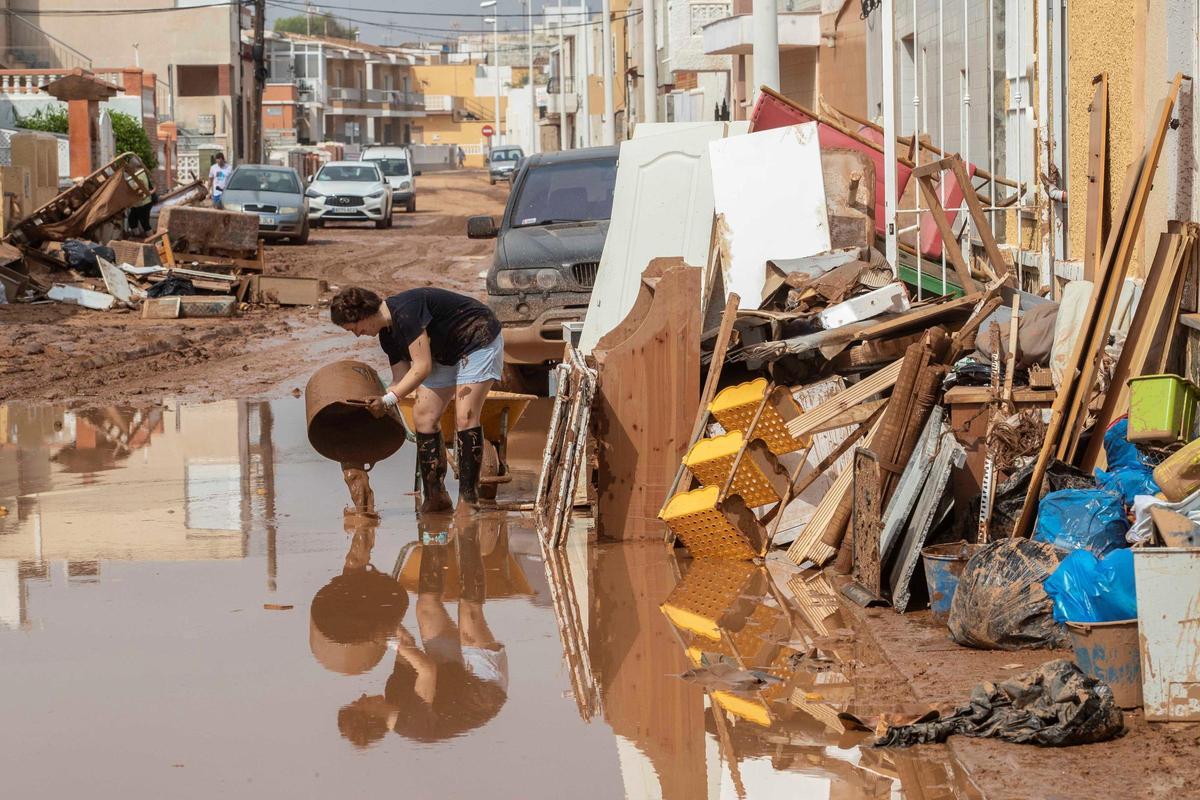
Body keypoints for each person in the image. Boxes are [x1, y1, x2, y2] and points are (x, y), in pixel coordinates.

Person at [330, 286, 503, 509]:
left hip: (477, 339)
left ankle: (468, 500)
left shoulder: (406, 312)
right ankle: (436, 498)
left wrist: (389, 400)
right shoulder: (387, 336)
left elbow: (422, 368)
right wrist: (376, 403)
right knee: (423, 417)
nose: (357, 334)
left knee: (465, 416)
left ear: (362, 315)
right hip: (444, 352)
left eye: (355, 328)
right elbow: (400, 380)